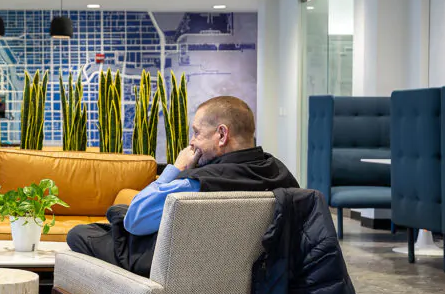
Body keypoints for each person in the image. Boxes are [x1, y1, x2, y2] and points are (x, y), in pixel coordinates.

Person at [67, 95, 299, 277]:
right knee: (119, 212)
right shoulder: (282, 175)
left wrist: (176, 168)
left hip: (172, 265)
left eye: (197, 133)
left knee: (81, 233)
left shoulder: (197, 183)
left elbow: (135, 222)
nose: (191, 142)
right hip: (248, 274)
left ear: (221, 134)